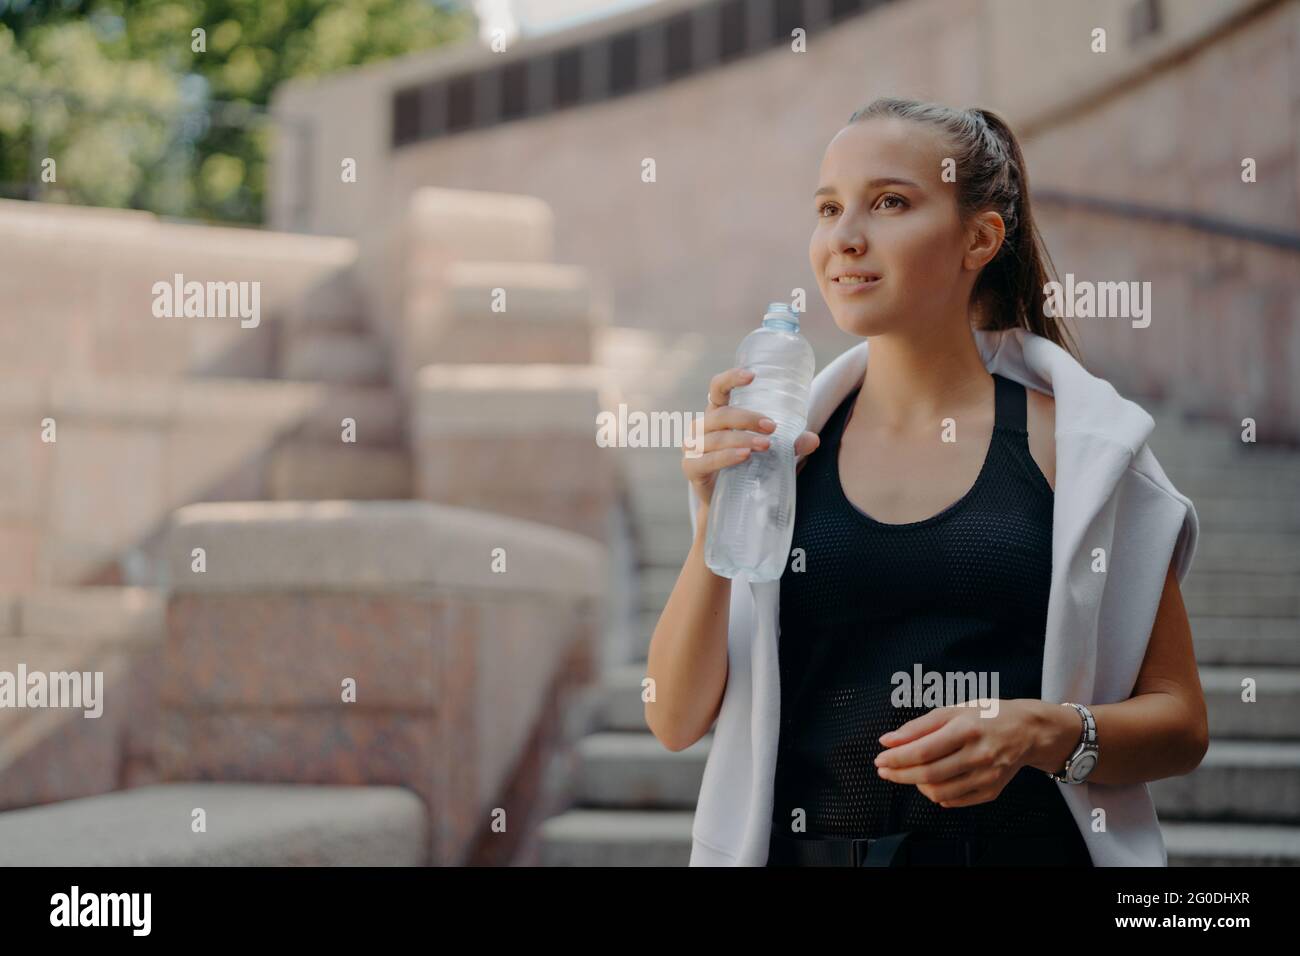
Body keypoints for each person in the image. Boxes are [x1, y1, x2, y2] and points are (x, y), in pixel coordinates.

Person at [644, 97, 1208, 867]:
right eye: (828, 208)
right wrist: (717, 518)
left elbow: (1181, 724)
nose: (843, 239)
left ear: (980, 237)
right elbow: (675, 720)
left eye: (889, 203)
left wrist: (1039, 732)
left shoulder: (1083, 448)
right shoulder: (782, 455)